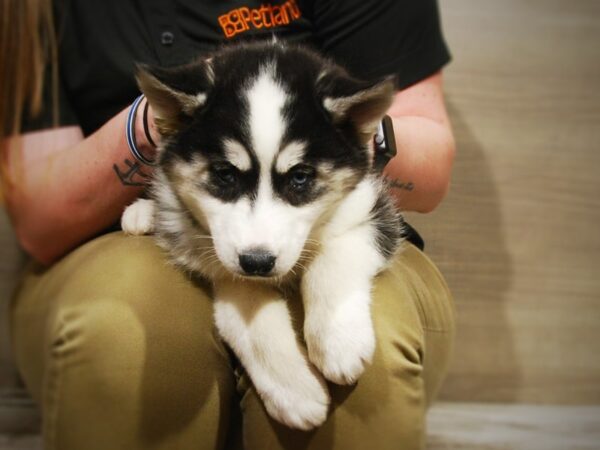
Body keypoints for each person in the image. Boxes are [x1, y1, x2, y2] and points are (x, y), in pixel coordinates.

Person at [1, 1, 456, 449]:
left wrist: (350, 130)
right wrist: (155, 124)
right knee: (127, 339)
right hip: (126, 239)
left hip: (337, 212)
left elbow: (431, 175)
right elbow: (40, 222)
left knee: (364, 364)